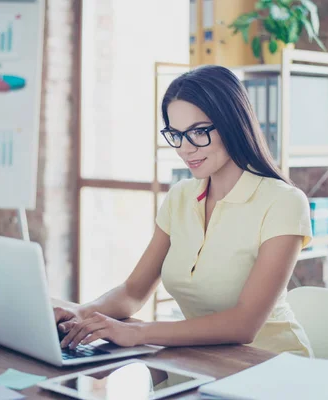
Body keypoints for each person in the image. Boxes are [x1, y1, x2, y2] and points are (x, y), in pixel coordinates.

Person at [55, 65, 314, 357]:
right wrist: (79, 312)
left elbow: (244, 324)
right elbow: (133, 292)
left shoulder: (284, 202)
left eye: (198, 132)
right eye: (176, 134)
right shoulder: (180, 197)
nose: (185, 149)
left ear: (232, 123)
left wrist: (137, 332)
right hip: (202, 360)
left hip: (273, 366)